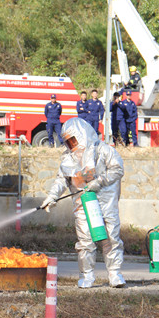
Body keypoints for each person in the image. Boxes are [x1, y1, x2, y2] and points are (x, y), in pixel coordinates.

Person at [39, 118, 126, 288]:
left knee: (110, 237)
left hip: (105, 203)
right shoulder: (68, 158)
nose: (71, 144)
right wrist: (52, 197)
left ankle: (115, 274)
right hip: (82, 204)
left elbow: (117, 169)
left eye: (73, 139)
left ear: (82, 134)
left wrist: (99, 182)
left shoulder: (103, 150)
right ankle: (87, 276)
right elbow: (61, 180)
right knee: (85, 241)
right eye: (67, 141)